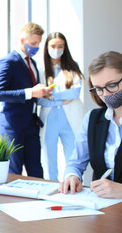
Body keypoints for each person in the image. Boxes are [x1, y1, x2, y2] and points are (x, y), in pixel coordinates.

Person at [60, 51, 122, 200]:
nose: (105, 94)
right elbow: (75, 163)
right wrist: (72, 176)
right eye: (98, 88)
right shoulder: (92, 119)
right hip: (103, 212)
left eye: (112, 85)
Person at [0, 22, 52, 177]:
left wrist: (42, 92)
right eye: (33, 43)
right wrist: (31, 92)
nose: (36, 46)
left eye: (38, 43)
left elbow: (32, 94)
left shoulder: (32, 63)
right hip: (12, 125)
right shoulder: (8, 61)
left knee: (36, 170)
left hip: (31, 124)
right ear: (22, 40)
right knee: (14, 171)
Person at [38, 32, 85, 181]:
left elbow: (75, 93)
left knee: (73, 158)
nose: (56, 49)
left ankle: (73, 188)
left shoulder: (72, 67)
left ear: (65, 48)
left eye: (60, 46)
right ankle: (51, 189)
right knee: (49, 160)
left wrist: (50, 95)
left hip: (69, 120)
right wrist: (58, 100)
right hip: (49, 119)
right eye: (53, 46)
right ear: (47, 48)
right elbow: (39, 100)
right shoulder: (40, 71)